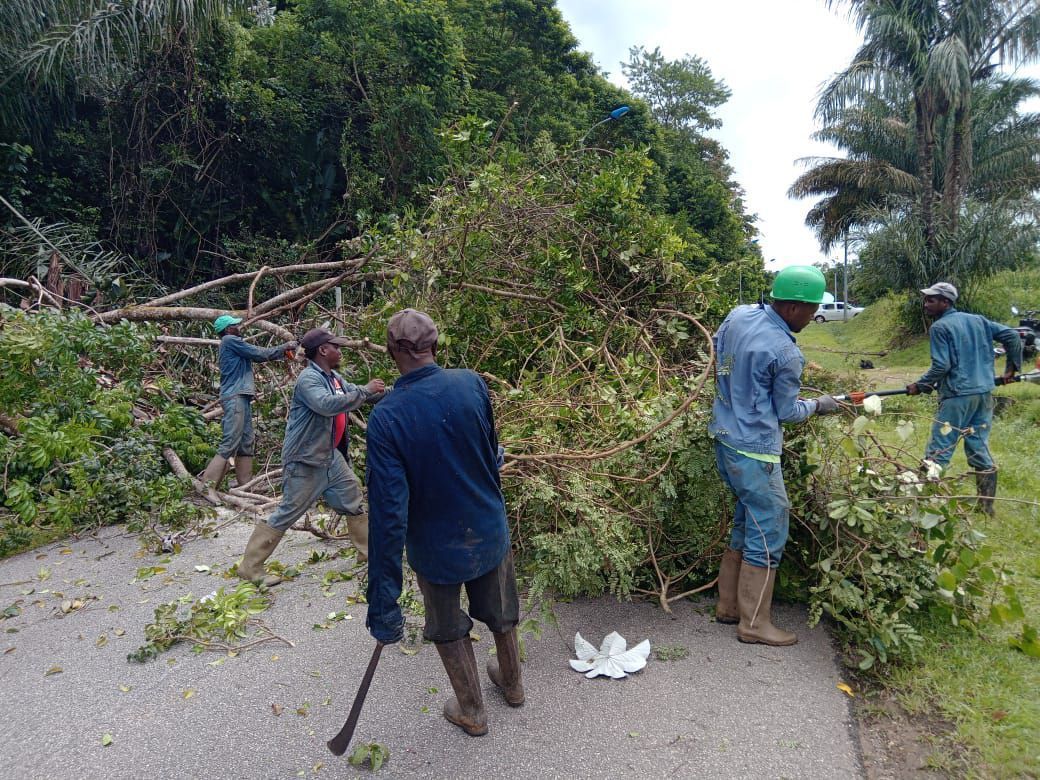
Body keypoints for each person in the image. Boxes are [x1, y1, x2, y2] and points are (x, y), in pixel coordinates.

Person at [365, 309, 522, 738]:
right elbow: (492, 454)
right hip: (488, 529)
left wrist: (383, 603)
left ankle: (472, 710)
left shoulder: (386, 418)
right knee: (502, 611)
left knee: (448, 628)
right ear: (436, 344)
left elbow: (388, 517)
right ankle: (512, 684)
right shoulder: (472, 384)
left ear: (392, 351)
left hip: (436, 549)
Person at [708, 265, 839, 647]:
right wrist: (820, 405)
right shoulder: (785, 352)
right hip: (755, 452)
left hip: (724, 437)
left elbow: (717, 348)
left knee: (745, 519)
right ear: (794, 308)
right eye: (812, 310)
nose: (814, 317)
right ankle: (754, 624)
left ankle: (729, 606)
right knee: (769, 529)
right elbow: (788, 413)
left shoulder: (737, 315)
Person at [237, 327, 385, 586]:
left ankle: (369, 555)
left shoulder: (334, 378)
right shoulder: (309, 380)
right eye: (336, 346)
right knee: (288, 512)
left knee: (352, 497)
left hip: (329, 456)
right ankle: (250, 568)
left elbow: (361, 396)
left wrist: (400, 390)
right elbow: (326, 405)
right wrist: (365, 389)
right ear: (323, 350)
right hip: (305, 460)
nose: (340, 350)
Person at [906, 282, 1021, 514]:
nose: (926, 303)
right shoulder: (978, 320)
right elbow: (1011, 335)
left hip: (957, 397)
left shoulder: (940, 327)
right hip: (983, 395)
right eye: (926, 299)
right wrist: (1012, 368)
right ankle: (986, 508)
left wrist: (921, 385)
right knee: (979, 446)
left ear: (945, 302)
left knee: (939, 449)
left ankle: (922, 504)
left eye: (931, 299)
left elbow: (942, 365)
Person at [200, 314, 297, 488]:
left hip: (241, 396)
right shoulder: (230, 340)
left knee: (246, 442)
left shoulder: (232, 344)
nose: (239, 328)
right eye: (235, 326)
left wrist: (284, 352)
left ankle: (245, 486)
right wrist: (285, 346)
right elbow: (259, 354)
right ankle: (207, 488)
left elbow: (261, 355)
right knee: (230, 441)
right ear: (228, 330)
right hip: (235, 396)